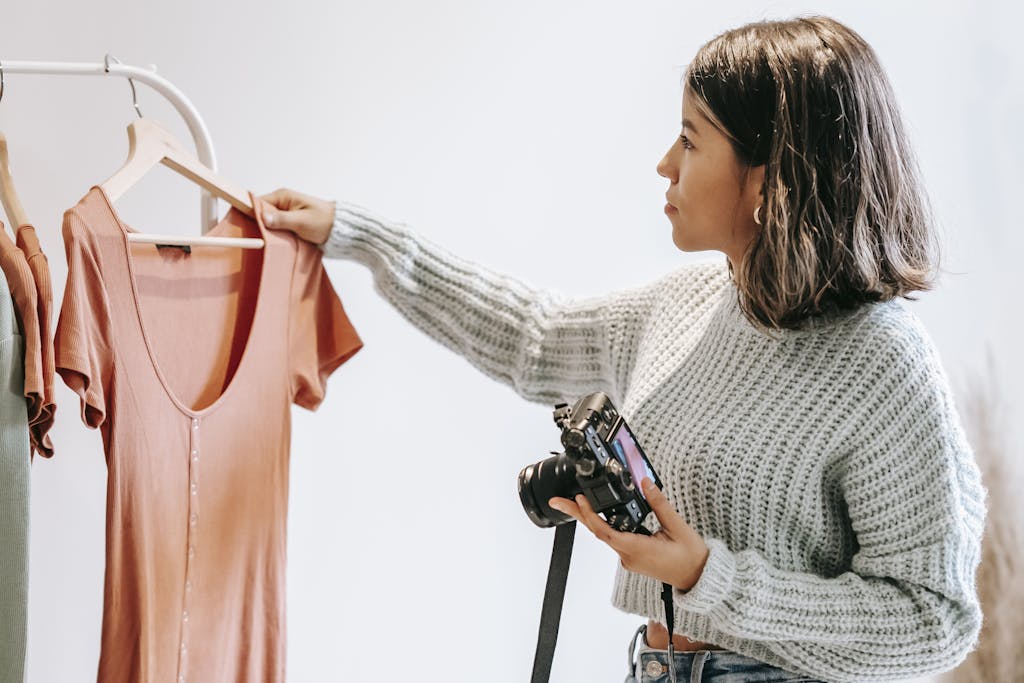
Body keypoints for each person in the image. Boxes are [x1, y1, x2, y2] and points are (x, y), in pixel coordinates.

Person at [260, 15, 985, 683]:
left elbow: (935, 620)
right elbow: (530, 335)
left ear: (768, 177)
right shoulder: (686, 305)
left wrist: (712, 577)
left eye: (692, 139)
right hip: (652, 665)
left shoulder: (884, 361)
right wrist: (360, 237)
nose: (665, 163)